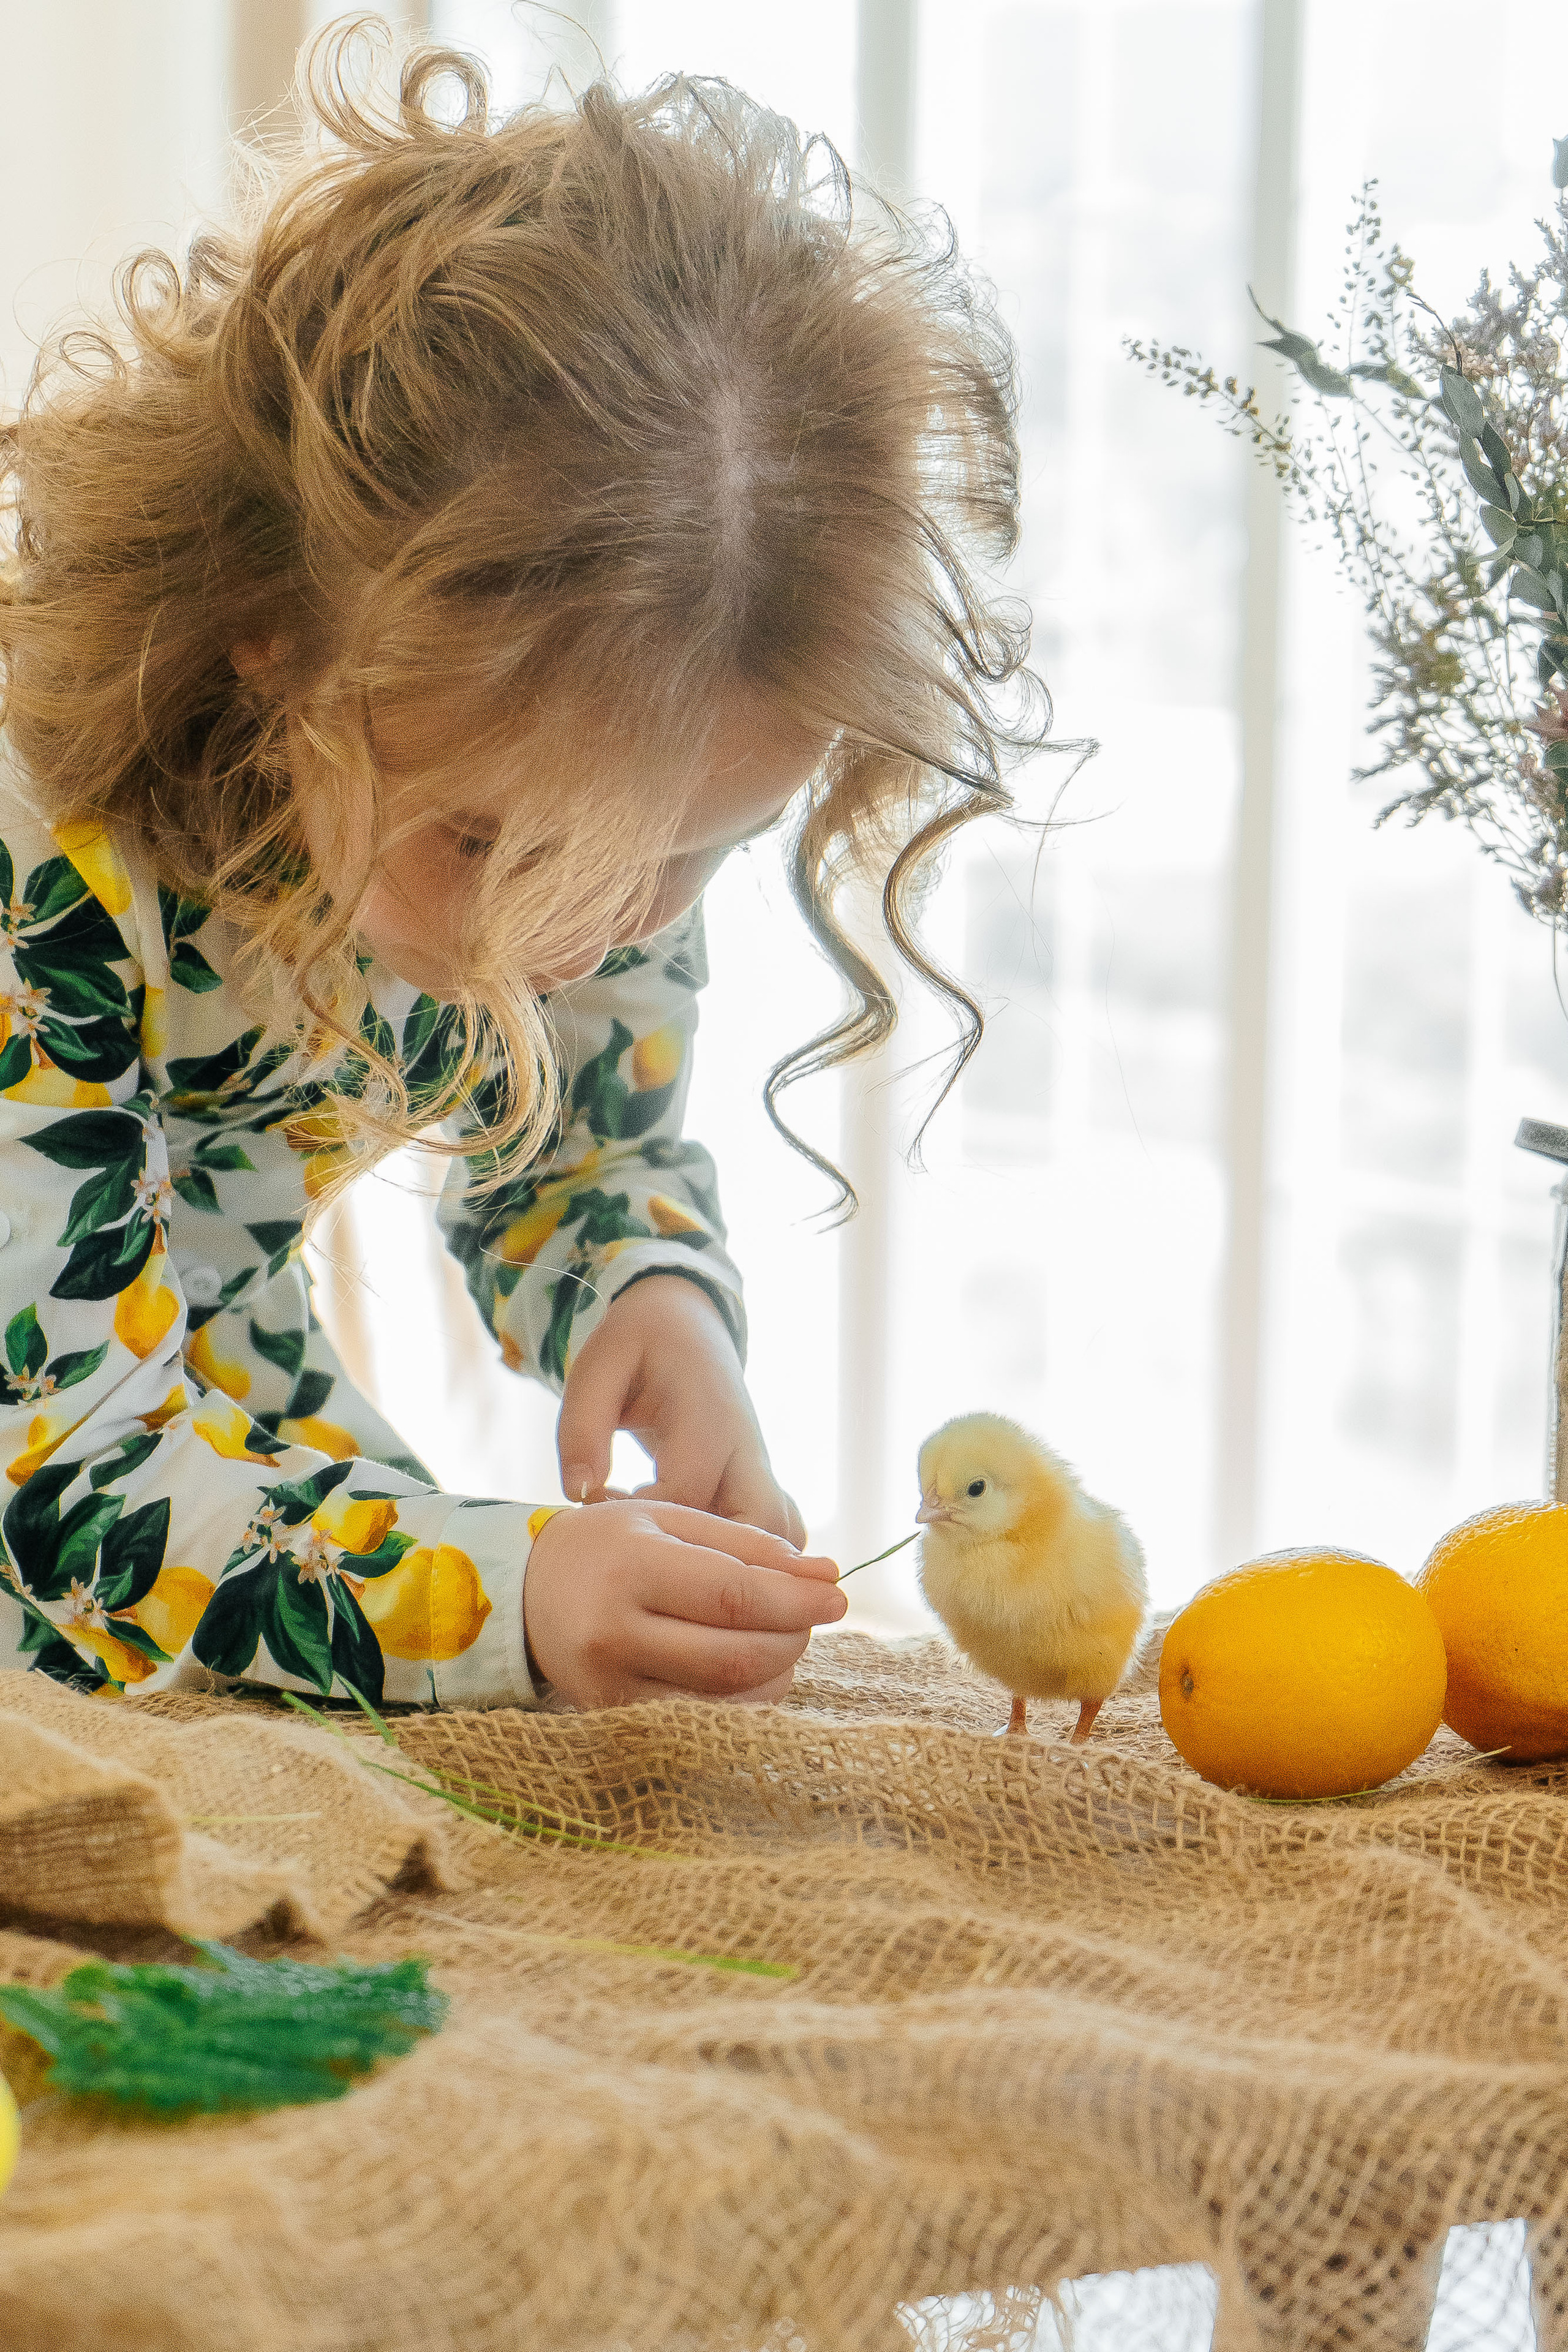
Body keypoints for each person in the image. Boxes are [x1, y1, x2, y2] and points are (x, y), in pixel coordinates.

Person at [0, 23, 1039, 1714]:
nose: (582, 939)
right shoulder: (35, 858)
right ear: (271, 631)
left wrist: (643, 1288)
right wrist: (505, 1595)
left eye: (690, 861)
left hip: (208, 1471)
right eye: (488, 846)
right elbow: (62, 1489)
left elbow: (573, 1133)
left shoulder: (592, 789)